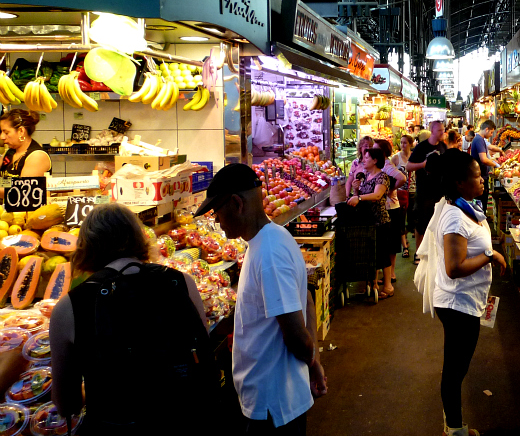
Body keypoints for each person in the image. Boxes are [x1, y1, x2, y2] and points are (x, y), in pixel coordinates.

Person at [49, 203, 217, 435]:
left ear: (86, 247)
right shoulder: (182, 282)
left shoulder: (68, 307)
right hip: (182, 420)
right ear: (139, 237)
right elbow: (203, 349)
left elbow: (67, 404)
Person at [196, 163, 327, 432]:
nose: (217, 220)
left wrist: (311, 359)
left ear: (236, 203)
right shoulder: (274, 238)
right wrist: (314, 362)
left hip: (272, 404)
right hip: (276, 398)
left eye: (217, 211)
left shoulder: (268, 253)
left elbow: (295, 334)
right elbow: (307, 300)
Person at [431, 149, 507, 436]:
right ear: (459, 183)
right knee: (455, 370)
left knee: (456, 367)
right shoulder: (453, 217)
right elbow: (454, 267)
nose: (483, 180)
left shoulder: (464, 206)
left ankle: (451, 422)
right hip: (457, 304)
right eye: (477, 176)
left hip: (466, 301)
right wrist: (489, 255)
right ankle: (454, 429)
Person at [348, 146, 395, 299]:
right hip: (368, 221)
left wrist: (359, 197)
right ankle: (373, 283)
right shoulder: (366, 176)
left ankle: (388, 286)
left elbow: (376, 195)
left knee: (382, 254)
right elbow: (361, 197)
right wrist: (356, 190)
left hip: (380, 220)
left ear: (375, 161)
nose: (363, 160)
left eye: (367, 158)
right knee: (371, 254)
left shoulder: (382, 177)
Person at [407, 120, 446, 264]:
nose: (442, 133)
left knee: (437, 223)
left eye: (443, 130)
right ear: (433, 131)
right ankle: (419, 253)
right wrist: (423, 164)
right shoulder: (421, 148)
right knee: (421, 224)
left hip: (440, 192)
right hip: (424, 192)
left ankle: (434, 251)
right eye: (440, 130)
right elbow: (408, 166)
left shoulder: (443, 146)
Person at [374, 139, 407, 289]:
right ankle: (389, 273)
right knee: (389, 242)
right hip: (387, 207)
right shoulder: (381, 164)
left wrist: (390, 189)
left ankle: (391, 273)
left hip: (391, 207)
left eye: (375, 149)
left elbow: (402, 178)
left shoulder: (386, 165)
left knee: (391, 243)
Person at [0, 109, 50, 180]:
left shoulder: (37, 156)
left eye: (6, 133)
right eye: (1, 132)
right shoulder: (10, 152)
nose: (2, 137)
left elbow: (22, 188)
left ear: (21, 131)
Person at [469, 120, 502, 213]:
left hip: (480, 176)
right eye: (491, 132)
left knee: (481, 205)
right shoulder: (479, 139)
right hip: (480, 178)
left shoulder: (479, 139)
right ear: (486, 129)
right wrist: (496, 165)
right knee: (481, 205)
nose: (491, 135)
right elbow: (483, 159)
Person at [393, 134, 415, 258]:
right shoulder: (396, 158)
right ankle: (404, 246)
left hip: (413, 191)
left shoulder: (414, 157)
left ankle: (407, 236)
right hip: (400, 193)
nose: (402, 145)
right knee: (401, 219)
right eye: (401, 142)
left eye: (405, 143)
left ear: (410, 144)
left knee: (411, 220)